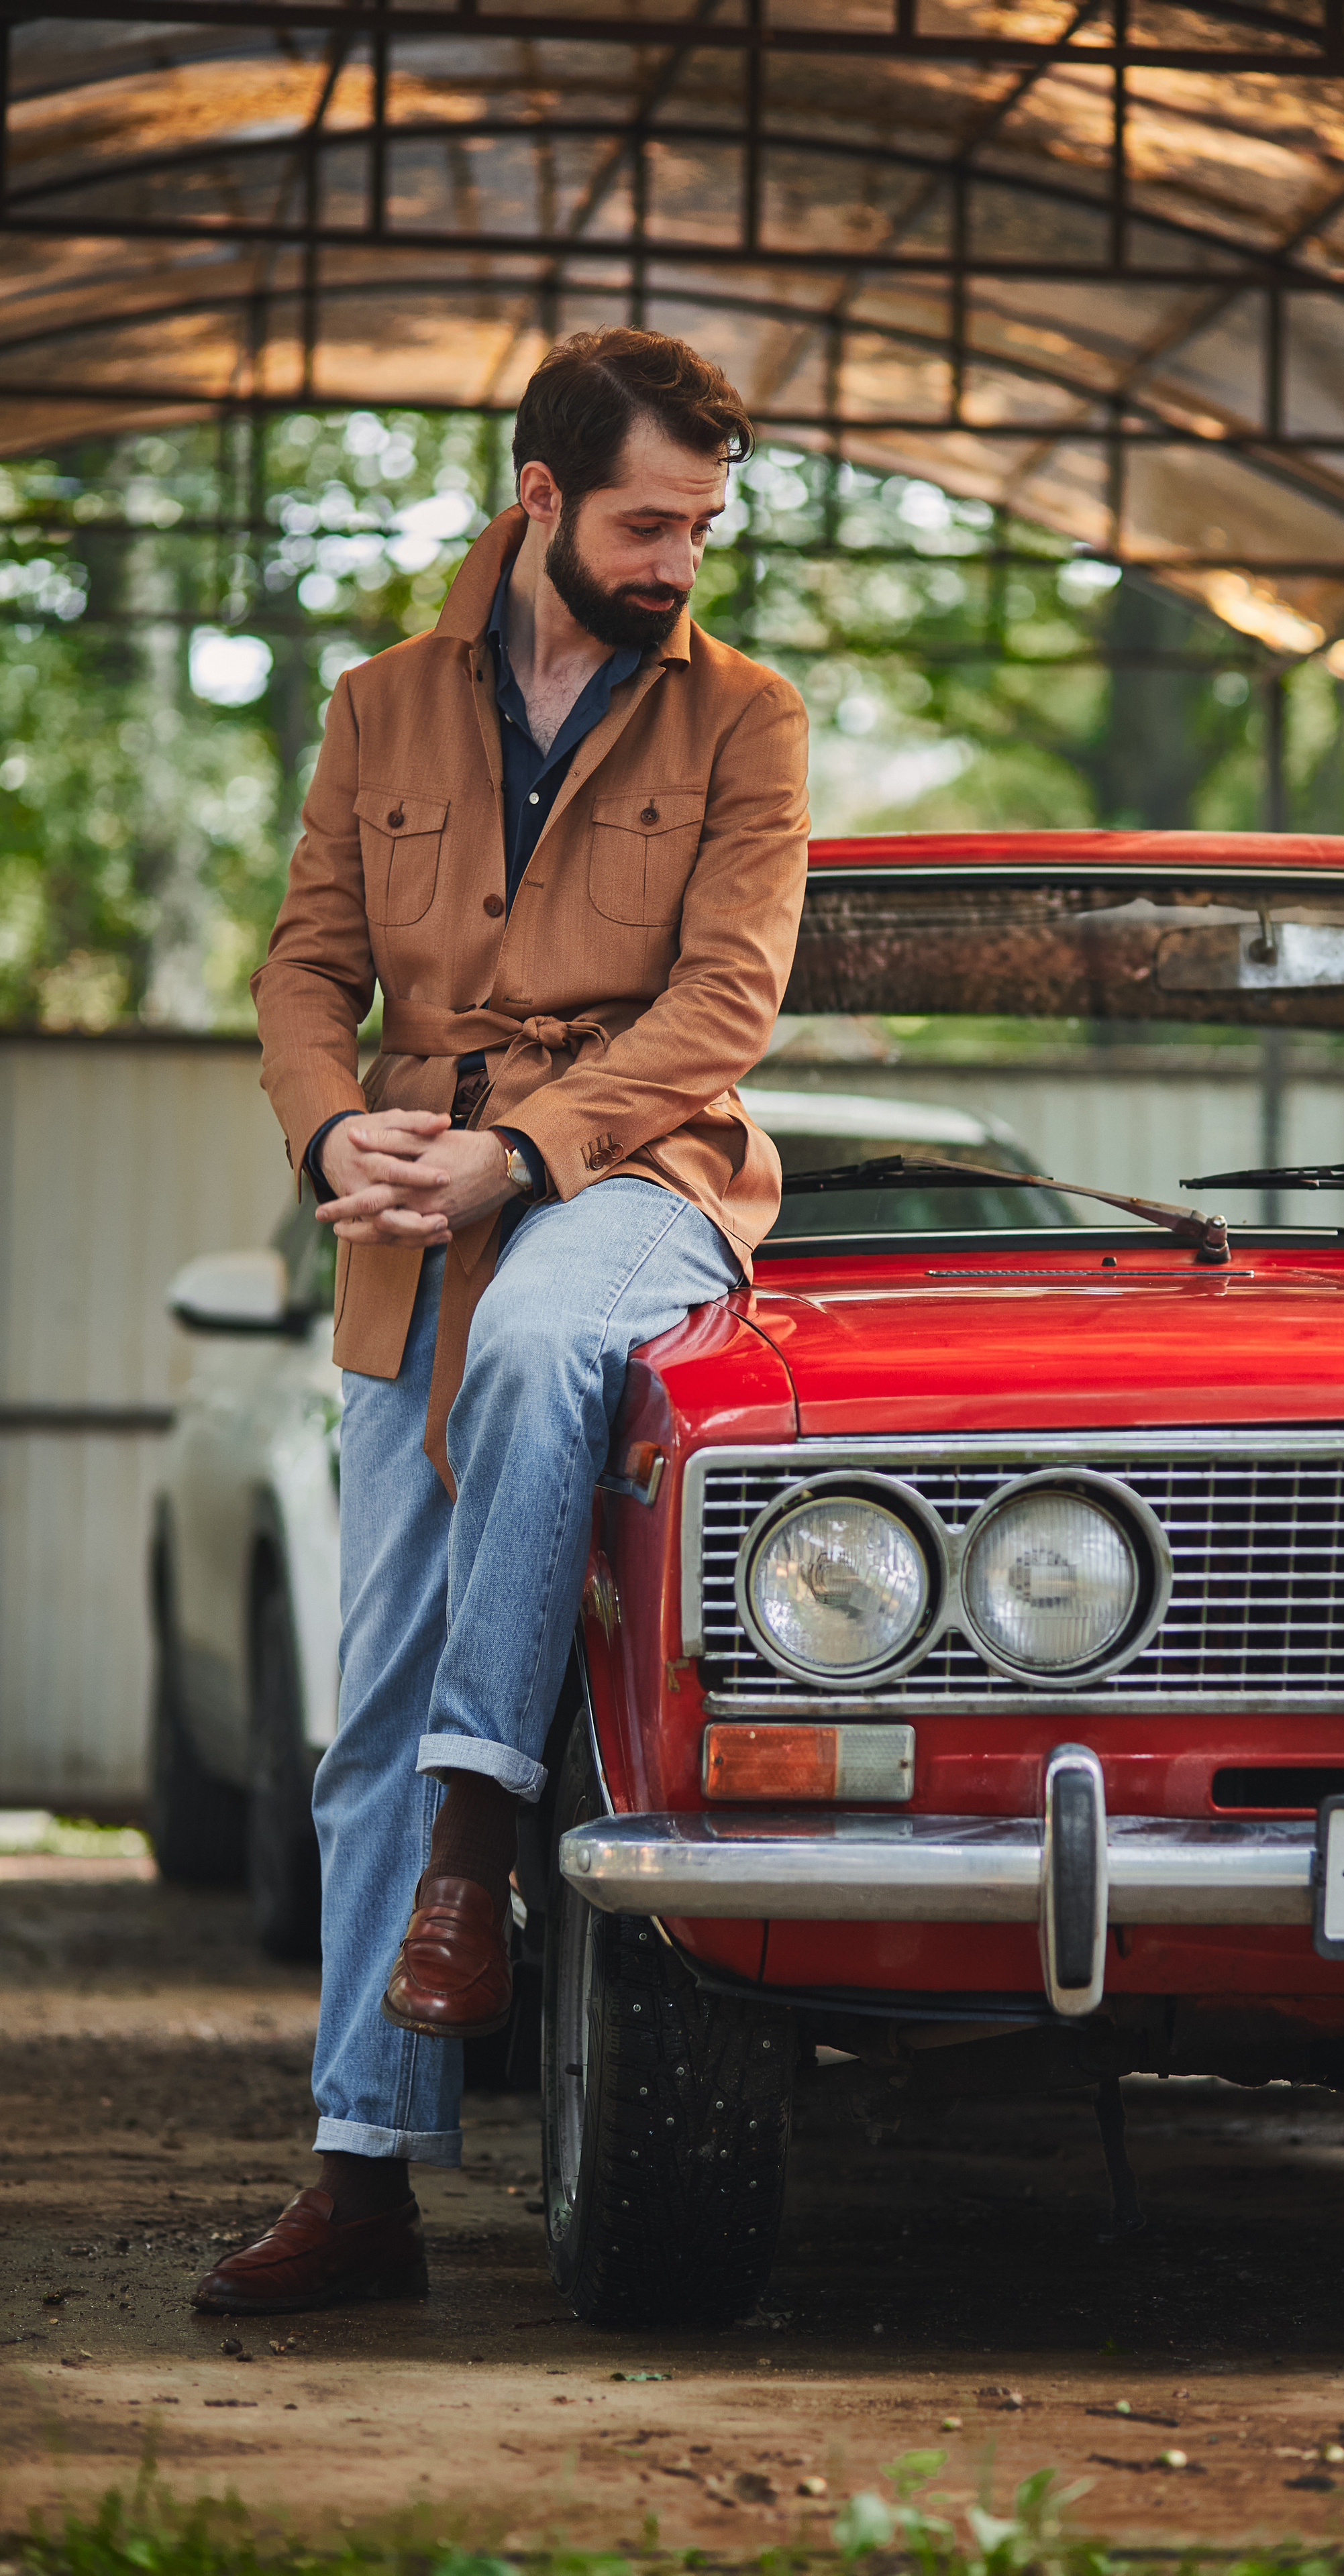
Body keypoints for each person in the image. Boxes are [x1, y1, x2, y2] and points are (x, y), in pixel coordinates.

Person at [192, 328, 809, 2316]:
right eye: (648, 519)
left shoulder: (751, 718)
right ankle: (361, 2181)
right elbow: (305, 969)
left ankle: (484, 1833)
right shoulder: (378, 708)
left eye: (708, 523)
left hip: (641, 1183)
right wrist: (334, 1135)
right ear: (538, 496)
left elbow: (726, 1006)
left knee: (550, 1336)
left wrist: (518, 1155)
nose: (682, 558)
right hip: (406, 1226)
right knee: (358, 1715)